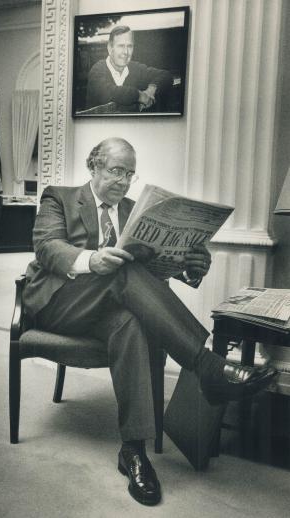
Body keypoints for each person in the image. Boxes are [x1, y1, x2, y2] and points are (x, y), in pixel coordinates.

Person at [23, 138, 276, 507]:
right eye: (116, 171)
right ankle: (206, 366)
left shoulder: (134, 209)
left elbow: (155, 271)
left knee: (130, 322)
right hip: (59, 304)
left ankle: (134, 451)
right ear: (93, 166)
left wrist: (191, 268)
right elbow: (47, 248)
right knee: (121, 272)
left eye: (130, 174)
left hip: (109, 307)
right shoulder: (58, 197)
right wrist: (92, 260)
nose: (124, 181)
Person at [86, 26, 174, 113]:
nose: (126, 52)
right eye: (121, 46)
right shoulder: (97, 69)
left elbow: (166, 75)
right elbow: (107, 92)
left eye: (129, 46)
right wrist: (139, 95)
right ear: (110, 48)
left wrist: (151, 90)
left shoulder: (136, 68)